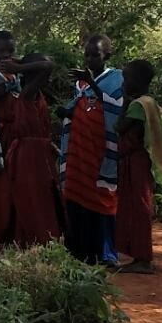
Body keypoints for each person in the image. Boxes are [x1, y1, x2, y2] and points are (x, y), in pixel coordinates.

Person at [0, 31, 52, 248]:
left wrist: (20, 68)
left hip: (16, 149)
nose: (5, 56)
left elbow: (47, 65)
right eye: (0, 51)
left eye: (10, 51)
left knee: (12, 199)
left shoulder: (19, 80)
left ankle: (9, 241)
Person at [58, 34, 124, 266]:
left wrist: (93, 83)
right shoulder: (81, 84)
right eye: (86, 54)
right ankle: (79, 250)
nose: (89, 59)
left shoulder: (118, 80)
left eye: (95, 54)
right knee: (76, 197)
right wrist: (67, 113)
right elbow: (82, 109)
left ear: (107, 55)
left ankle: (105, 253)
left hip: (102, 153)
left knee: (102, 197)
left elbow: (116, 109)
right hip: (79, 152)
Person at [114, 59, 162, 274]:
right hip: (135, 161)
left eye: (126, 78)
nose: (123, 82)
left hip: (137, 162)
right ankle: (137, 256)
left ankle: (143, 258)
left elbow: (120, 127)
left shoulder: (139, 105)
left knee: (139, 207)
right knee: (134, 205)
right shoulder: (149, 103)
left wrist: (124, 101)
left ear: (137, 81)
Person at [0, 53, 61, 247]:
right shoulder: (27, 94)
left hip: (39, 156)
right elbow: (49, 65)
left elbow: (47, 66)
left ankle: (36, 244)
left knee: (42, 201)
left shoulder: (37, 95)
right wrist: (20, 68)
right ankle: (36, 243)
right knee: (31, 202)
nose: (48, 78)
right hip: (28, 157)